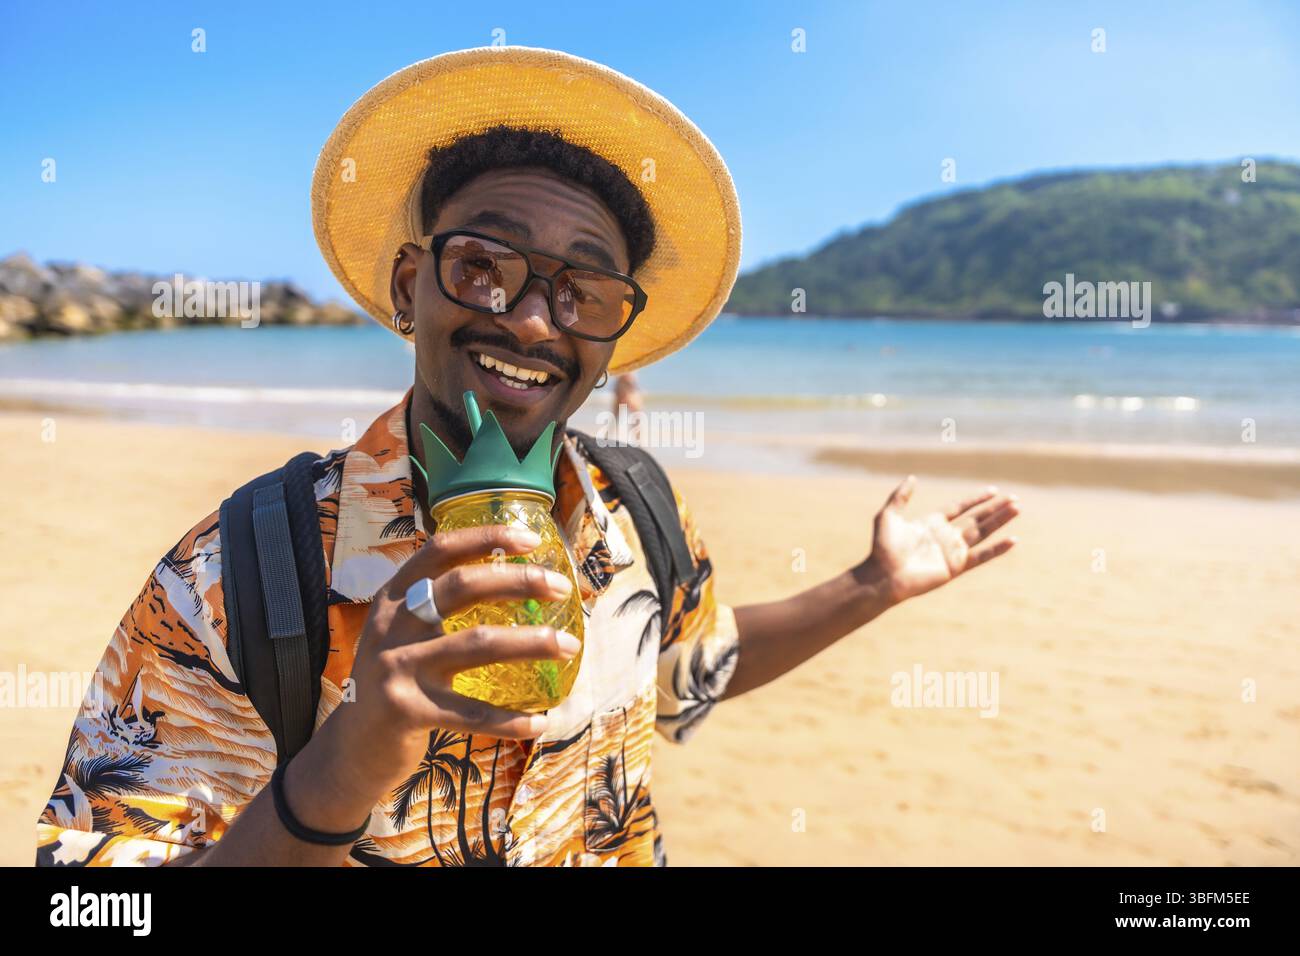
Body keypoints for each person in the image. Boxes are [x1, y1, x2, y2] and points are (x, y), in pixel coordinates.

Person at [35, 47, 1019, 867]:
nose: (533, 317)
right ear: (408, 284)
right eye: (482, 265)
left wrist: (869, 584)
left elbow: (688, 667)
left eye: (583, 290)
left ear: (612, 340)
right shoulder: (237, 576)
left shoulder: (635, 509)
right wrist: (349, 757)